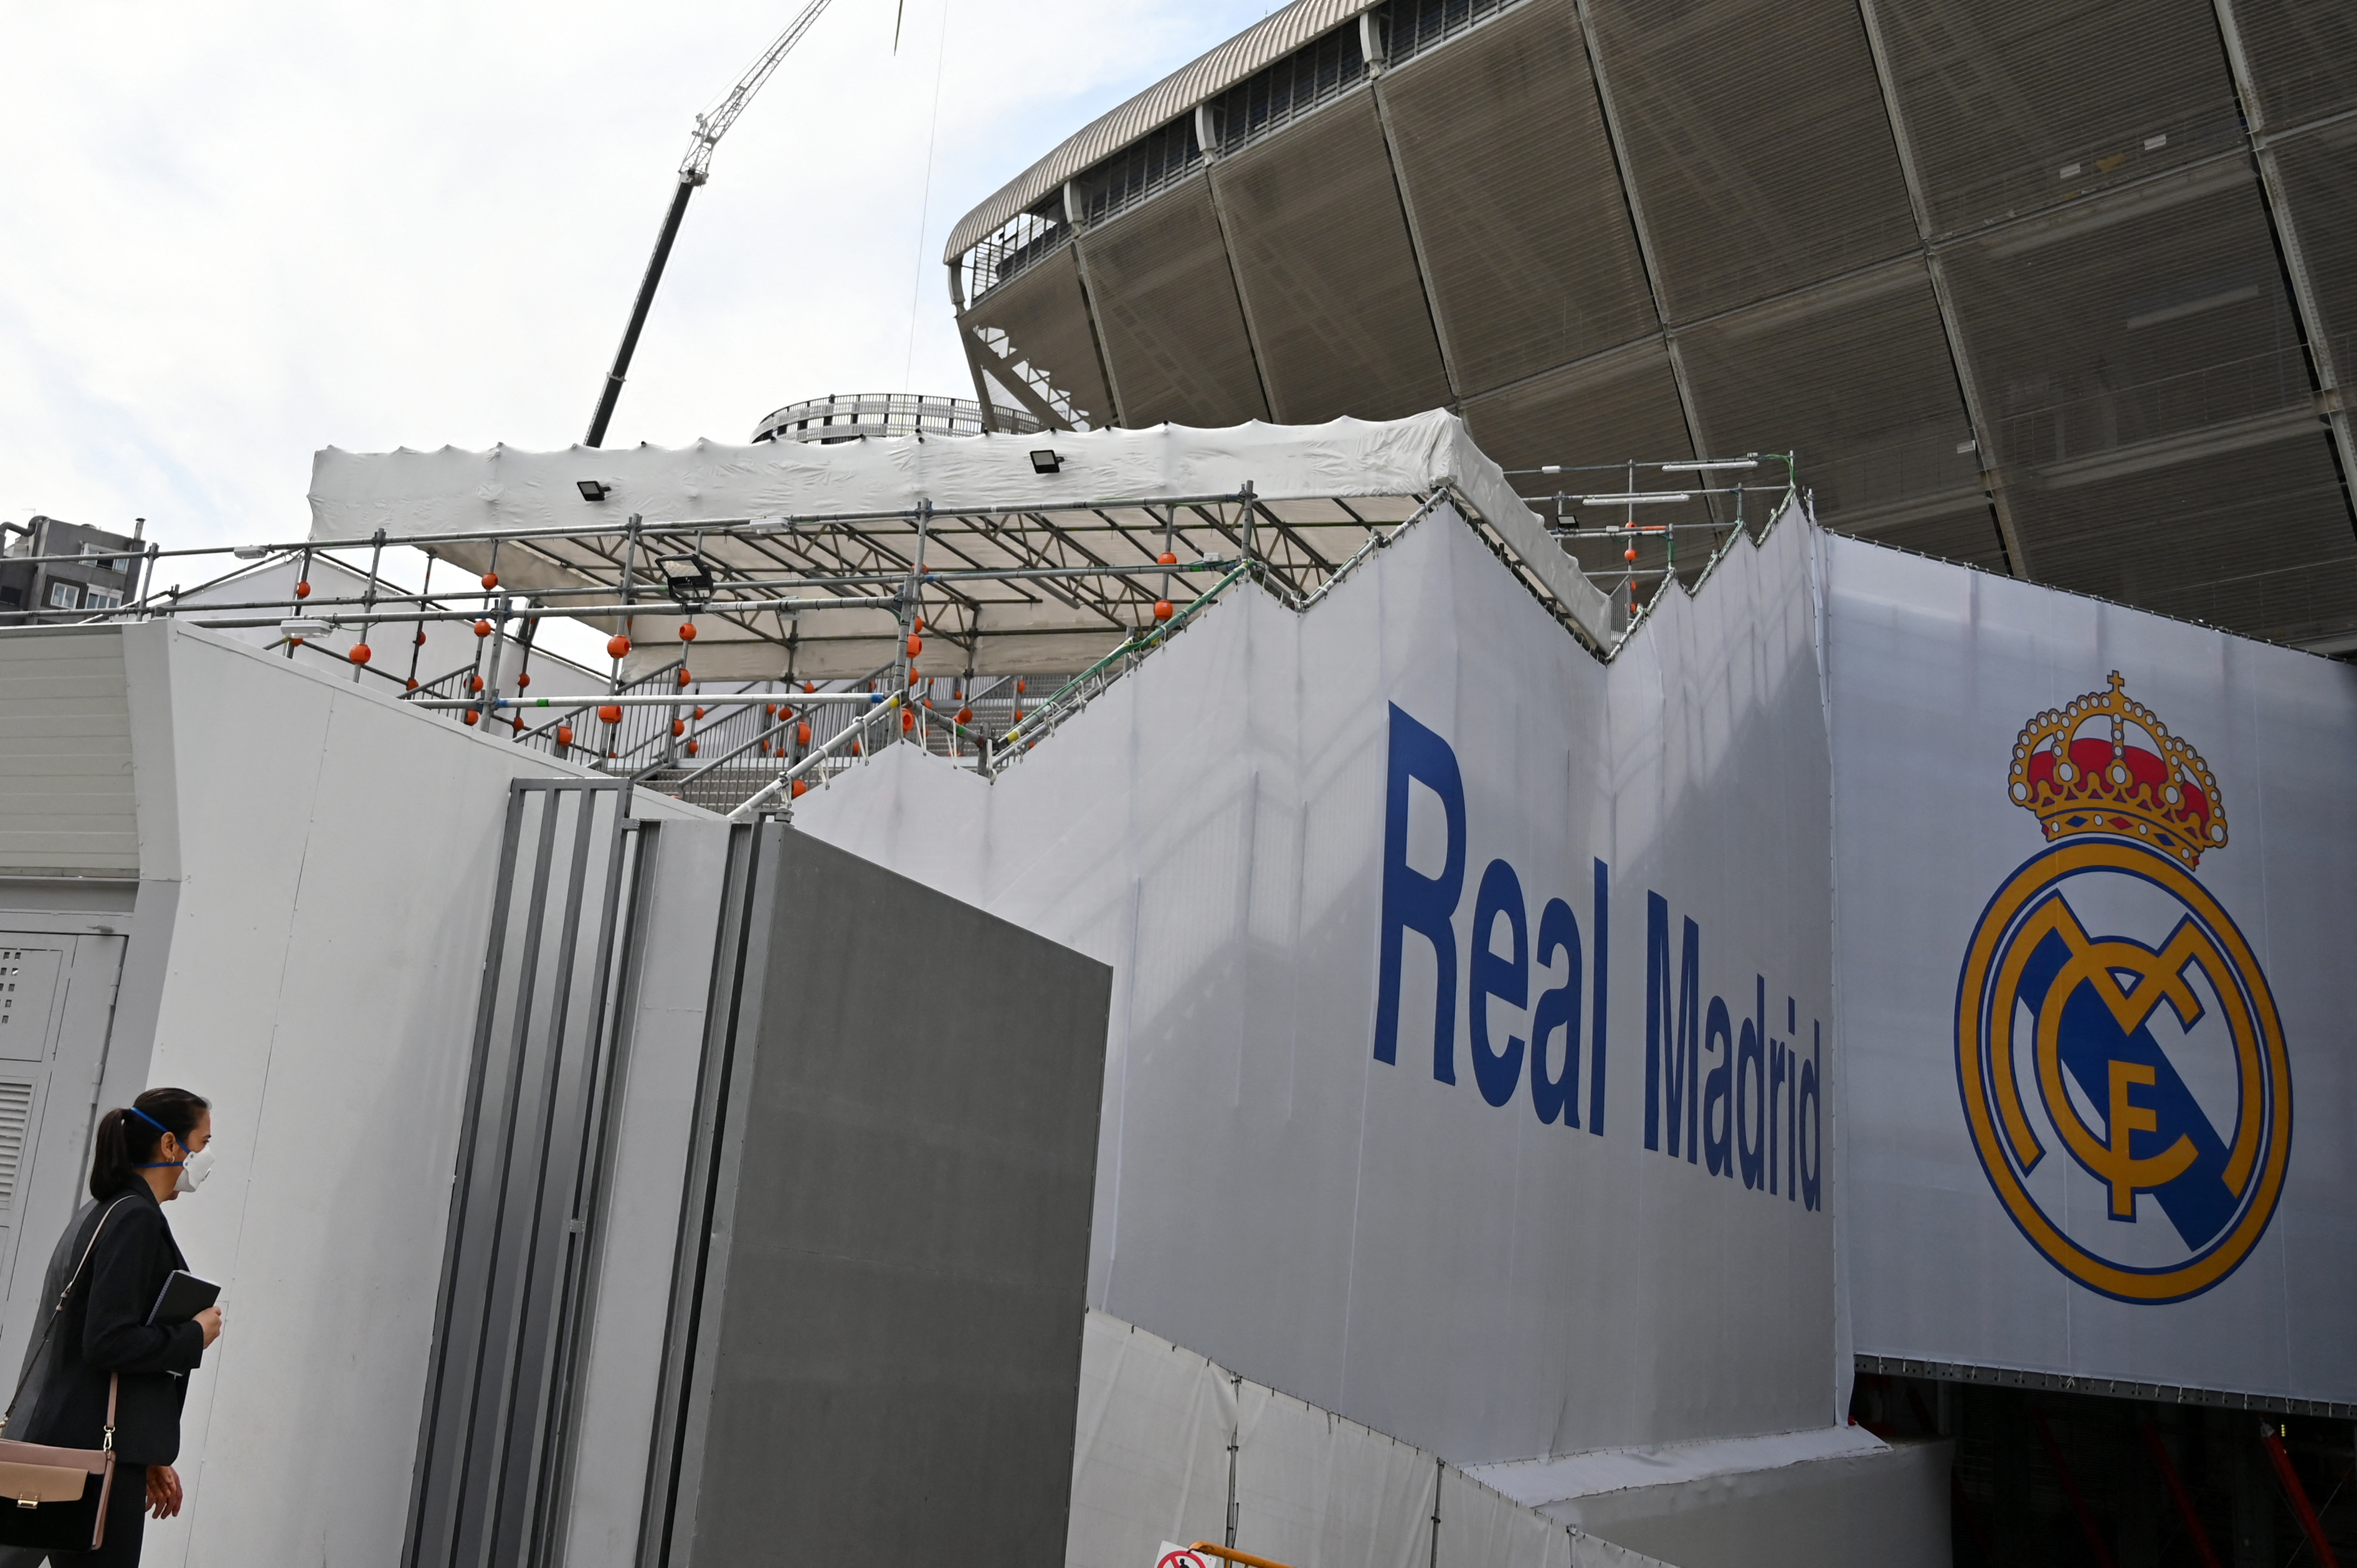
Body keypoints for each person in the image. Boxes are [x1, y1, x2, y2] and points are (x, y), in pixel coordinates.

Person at [9, 1090, 224, 1566]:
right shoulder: (135, 1219)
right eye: (203, 1142)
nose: (208, 1157)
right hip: (98, 1459)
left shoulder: (106, 1209)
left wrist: (146, 1452)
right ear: (170, 1145)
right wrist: (193, 1335)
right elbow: (108, 1341)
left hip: (88, 1447)